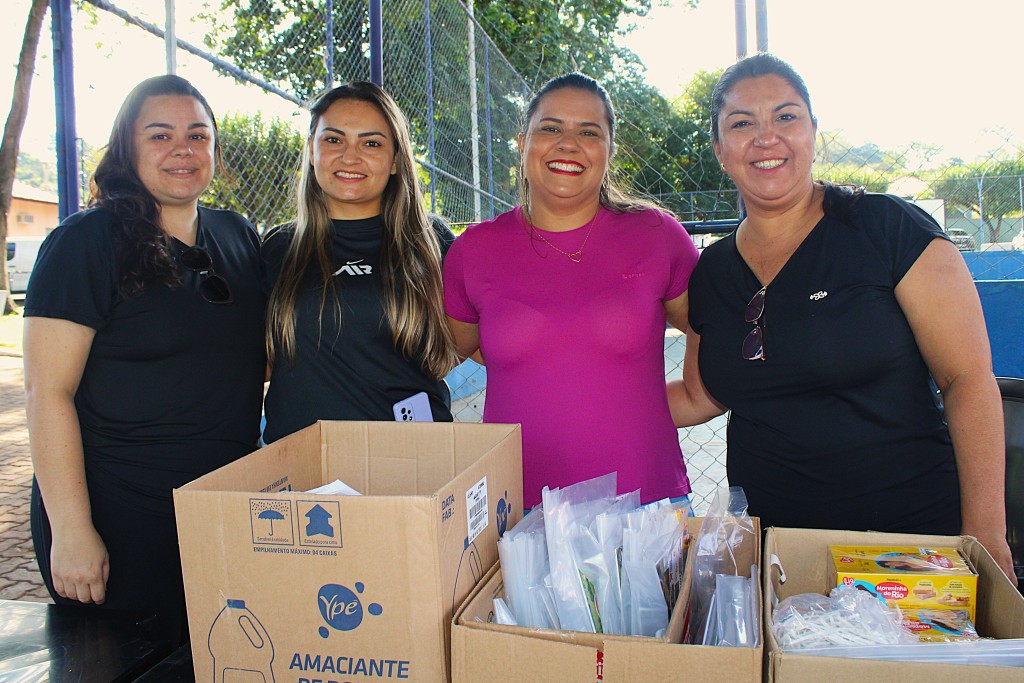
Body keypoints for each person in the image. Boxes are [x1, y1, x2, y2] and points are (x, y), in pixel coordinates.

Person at [667, 53, 1016, 584]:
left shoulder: (887, 229)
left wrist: (986, 536)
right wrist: (579, 401)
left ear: (812, 132)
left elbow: (966, 377)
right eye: (742, 123)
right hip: (776, 559)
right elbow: (700, 395)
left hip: (909, 548)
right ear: (719, 149)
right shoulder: (711, 272)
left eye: (786, 117)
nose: (766, 138)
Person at [24, 75, 266, 639]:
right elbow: (47, 393)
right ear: (127, 148)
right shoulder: (86, 243)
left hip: (215, 514)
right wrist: (72, 528)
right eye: (160, 135)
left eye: (198, 135)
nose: (182, 149)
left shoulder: (237, 235)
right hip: (117, 514)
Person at [444, 73, 700, 509]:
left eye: (588, 132)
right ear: (523, 143)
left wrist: (693, 399)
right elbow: (468, 344)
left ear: (609, 150)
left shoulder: (657, 235)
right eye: (551, 128)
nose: (567, 143)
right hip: (519, 510)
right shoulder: (474, 249)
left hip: (646, 503)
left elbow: (704, 326)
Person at [261, 81, 457, 443]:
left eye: (371, 143)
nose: (350, 157)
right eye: (333, 140)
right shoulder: (277, 248)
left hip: (413, 461)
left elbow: (479, 343)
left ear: (396, 159)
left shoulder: (431, 242)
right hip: (302, 472)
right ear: (310, 150)